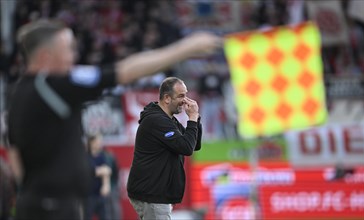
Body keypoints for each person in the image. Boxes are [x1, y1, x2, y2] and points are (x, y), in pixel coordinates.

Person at [5, 19, 221, 220]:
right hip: (51, 206)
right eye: (68, 48)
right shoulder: (54, 87)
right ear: (45, 56)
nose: (74, 54)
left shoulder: (21, 94)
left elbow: (15, 156)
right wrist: (185, 49)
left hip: (46, 203)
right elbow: (124, 71)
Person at [127, 77, 202, 220]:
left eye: (186, 95)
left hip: (155, 193)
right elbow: (186, 148)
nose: (185, 100)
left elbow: (194, 145)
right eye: (181, 96)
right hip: (152, 195)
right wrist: (191, 118)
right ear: (167, 98)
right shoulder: (157, 120)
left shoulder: (167, 120)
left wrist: (196, 119)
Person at [85, 133, 111, 220]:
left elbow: (108, 171)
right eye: (98, 141)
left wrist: (106, 185)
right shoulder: (86, 156)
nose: (100, 143)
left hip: (100, 194)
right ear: (92, 142)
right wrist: (100, 170)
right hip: (88, 195)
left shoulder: (102, 156)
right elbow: (89, 172)